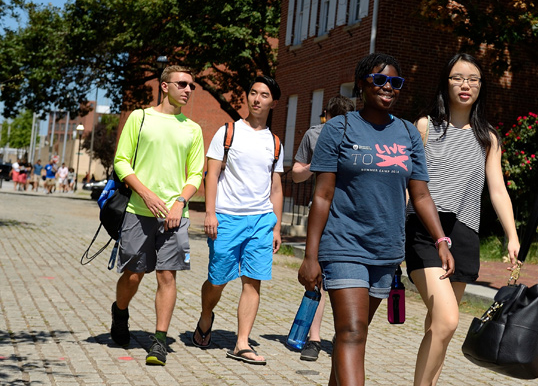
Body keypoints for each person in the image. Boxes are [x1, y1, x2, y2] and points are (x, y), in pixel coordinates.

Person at [297, 53, 454, 386]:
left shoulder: (409, 134)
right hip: (343, 245)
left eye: (395, 82)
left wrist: (441, 240)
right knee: (352, 332)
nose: (388, 87)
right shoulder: (338, 129)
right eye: (379, 80)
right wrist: (311, 256)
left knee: (352, 334)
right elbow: (322, 196)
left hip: (385, 250)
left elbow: (422, 194)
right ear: (361, 84)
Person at [406, 53, 520, 386]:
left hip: (465, 235)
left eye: (473, 79)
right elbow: (408, 185)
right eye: (457, 77)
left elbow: (497, 190)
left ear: (481, 86)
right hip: (426, 232)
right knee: (447, 321)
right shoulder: (425, 126)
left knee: (437, 327)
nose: (465, 84)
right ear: (446, 82)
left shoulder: (488, 138)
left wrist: (512, 236)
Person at [109, 65, 205, 366]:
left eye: (191, 86)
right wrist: (146, 194)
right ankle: (120, 312)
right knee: (134, 275)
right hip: (139, 210)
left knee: (167, 274)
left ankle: (159, 341)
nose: (188, 90)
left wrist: (180, 202)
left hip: (175, 214)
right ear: (165, 86)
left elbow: (196, 173)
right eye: (182, 84)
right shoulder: (140, 118)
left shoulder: (193, 129)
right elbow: (121, 162)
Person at [191, 76, 284, 365]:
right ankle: (206, 316)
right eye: (253, 93)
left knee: (252, 282)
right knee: (217, 280)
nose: (257, 99)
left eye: (264, 94)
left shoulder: (275, 142)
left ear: (273, 102)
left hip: (260, 220)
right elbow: (212, 175)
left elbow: (276, 187)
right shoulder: (228, 132)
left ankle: (242, 343)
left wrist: (277, 225)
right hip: (227, 218)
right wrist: (210, 213)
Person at [290, 94, 355, 362]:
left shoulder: (360, 139)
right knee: (317, 278)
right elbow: (295, 174)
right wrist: (313, 166)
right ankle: (314, 338)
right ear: (325, 116)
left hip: (352, 217)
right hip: (322, 215)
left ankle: (344, 336)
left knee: (345, 280)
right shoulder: (314, 135)